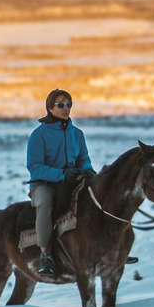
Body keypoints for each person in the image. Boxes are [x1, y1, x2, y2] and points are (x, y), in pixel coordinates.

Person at [27, 89, 95, 277]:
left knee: (97, 197)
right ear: (50, 108)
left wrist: (88, 170)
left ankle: (107, 246)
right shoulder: (38, 135)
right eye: (61, 105)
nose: (66, 108)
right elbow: (35, 167)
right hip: (44, 183)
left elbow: (84, 159)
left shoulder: (77, 134)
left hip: (72, 180)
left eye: (69, 104)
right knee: (45, 203)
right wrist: (62, 174)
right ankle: (45, 254)